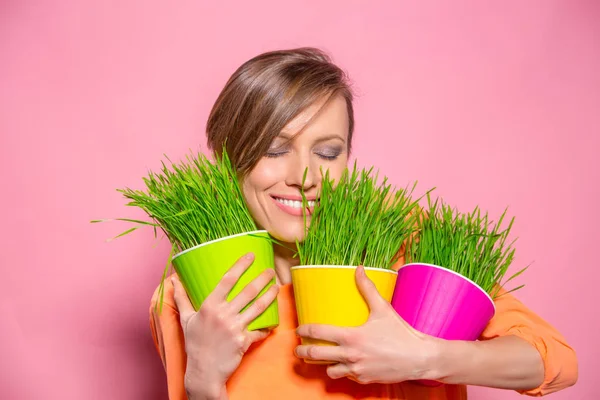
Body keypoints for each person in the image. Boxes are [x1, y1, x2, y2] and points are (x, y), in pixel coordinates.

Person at [149, 48, 578, 400]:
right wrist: (202, 382)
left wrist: (426, 357)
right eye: (275, 150)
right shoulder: (192, 295)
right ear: (226, 160)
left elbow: (555, 361)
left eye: (329, 153)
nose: (306, 176)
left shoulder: (402, 242)